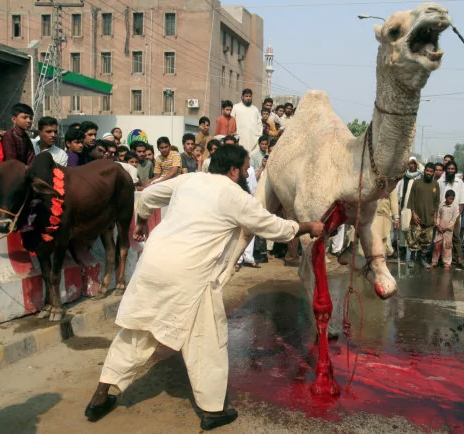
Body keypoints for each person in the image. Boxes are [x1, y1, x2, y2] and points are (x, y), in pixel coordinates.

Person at [84, 144, 326, 429]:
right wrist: (308, 226)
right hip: (190, 274)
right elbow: (274, 228)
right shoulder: (235, 196)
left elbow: (148, 195)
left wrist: (141, 221)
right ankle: (212, 410)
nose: (247, 172)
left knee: (138, 330)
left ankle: (101, 396)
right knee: (207, 340)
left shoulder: (190, 179)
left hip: (153, 264)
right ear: (234, 170)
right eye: (246, 167)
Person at [407, 163, 440, 268]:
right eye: (427, 171)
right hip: (417, 216)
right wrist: (413, 213)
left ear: (433, 172)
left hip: (429, 217)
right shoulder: (417, 183)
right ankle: (412, 259)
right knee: (414, 239)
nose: (429, 173)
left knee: (426, 241)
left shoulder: (435, 185)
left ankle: (422, 259)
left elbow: (436, 202)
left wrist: (435, 217)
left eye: (431, 171)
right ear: (424, 171)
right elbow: (411, 199)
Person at [437, 161, 464, 269]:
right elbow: (438, 198)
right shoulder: (441, 182)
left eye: (452, 169)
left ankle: (459, 258)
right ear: (446, 170)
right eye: (449, 169)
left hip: (454, 214)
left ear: (455, 170)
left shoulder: (459, 182)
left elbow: (462, 199)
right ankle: (441, 259)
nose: (450, 170)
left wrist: (458, 212)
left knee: (455, 237)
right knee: (440, 237)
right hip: (442, 213)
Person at [396, 157, 422, 261]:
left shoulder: (420, 177)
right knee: (403, 232)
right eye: (410, 164)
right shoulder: (403, 177)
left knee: (414, 232)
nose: (412, 165)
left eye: (414, 164)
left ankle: (412, 256)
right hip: (404, 209)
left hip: (416, 209)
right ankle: (402, 255)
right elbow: (398, 193)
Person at [431, 190, 459, 270]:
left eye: (452, 199)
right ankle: (434, 261)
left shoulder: (454, 207)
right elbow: (438, 216)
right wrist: (438, 225)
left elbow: (453, 219)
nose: (451, 201)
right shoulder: (441, 205)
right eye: (449, 199)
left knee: (447, 247)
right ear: (445, 197)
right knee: (437, 245)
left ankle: (447, 263)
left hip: (448, 231)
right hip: (439, 229)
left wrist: (446, 228)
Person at [231, 89, 262, 154]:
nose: (248, 98)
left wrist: (259, 136)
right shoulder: (236, 107)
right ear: (242, 97)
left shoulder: (255, 109)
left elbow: (259, 124)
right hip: (240, 139)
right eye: (246, 96)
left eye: (250, 96)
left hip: (254, 140)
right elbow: (231, 121)